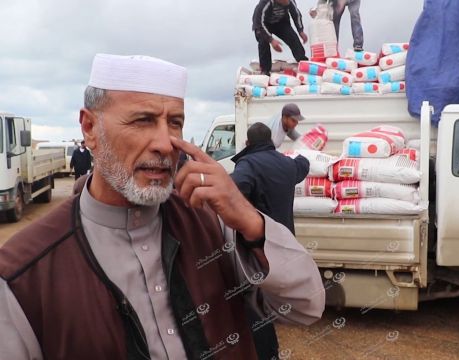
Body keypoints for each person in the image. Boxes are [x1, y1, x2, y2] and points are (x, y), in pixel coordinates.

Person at [0, 53, 325, 359]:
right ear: (89, 128)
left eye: (174, 123)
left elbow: (306, 306)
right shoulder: (22, 274)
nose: (163, 143)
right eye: (143, 121)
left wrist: (251, 223)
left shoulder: (211, 223)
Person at [230, 122, 309, 359]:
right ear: (270, 141)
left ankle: (266, 348)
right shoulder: (287, 163)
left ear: (248, 143)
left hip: (259, 244)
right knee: (272, 289)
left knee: (255, 299)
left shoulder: (248, 164)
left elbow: (235, 188)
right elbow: (303, 165)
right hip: (285, 239)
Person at [253, 0, 309, 76]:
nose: (288, 2)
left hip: (281, 22)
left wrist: (300, 30)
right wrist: (271, 40)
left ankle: (302, 61)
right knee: (263, 41)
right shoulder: (265, 3)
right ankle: (265, 70)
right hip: (263, 25)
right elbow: (259, 24)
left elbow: (296, 14)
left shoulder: (290, 1)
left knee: (292, 37)